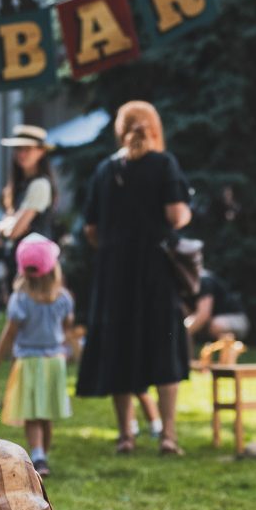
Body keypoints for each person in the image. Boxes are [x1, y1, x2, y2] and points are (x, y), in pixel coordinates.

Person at [76, 100, 192, 456]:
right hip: (155, 272)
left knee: (118, 348)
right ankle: (168, 434)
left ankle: (126, 434)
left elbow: (90, 228)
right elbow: (176, 215)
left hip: (115, 273)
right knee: (164, 347)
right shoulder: (165, 164)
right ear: (154, 128)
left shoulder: (105, 170)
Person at [0, 234, 73, 479]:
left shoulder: (20, 299)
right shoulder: (63, 298)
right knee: (45, 414)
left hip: (29, 362)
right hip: (55, 361)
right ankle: (42, 454)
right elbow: (67, 326)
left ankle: (38, 455)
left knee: (32, 413)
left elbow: (9, 334)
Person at [0, 125, 58, 280]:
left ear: (41, 151)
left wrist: (2, 225)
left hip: (36, 267)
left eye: (27, 149)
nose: (21, 154)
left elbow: (14, 231)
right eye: (18, 149)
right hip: (21, 262)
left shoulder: (39, 184)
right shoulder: (19, 184)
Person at [184, 268, 250, 346]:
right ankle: (186, 357)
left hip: (236, 320)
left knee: (217, 324)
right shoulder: (182, 283)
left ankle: (225, 356)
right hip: (211, 321)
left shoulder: (204, 280)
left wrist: (180, 333)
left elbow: (203, 315)